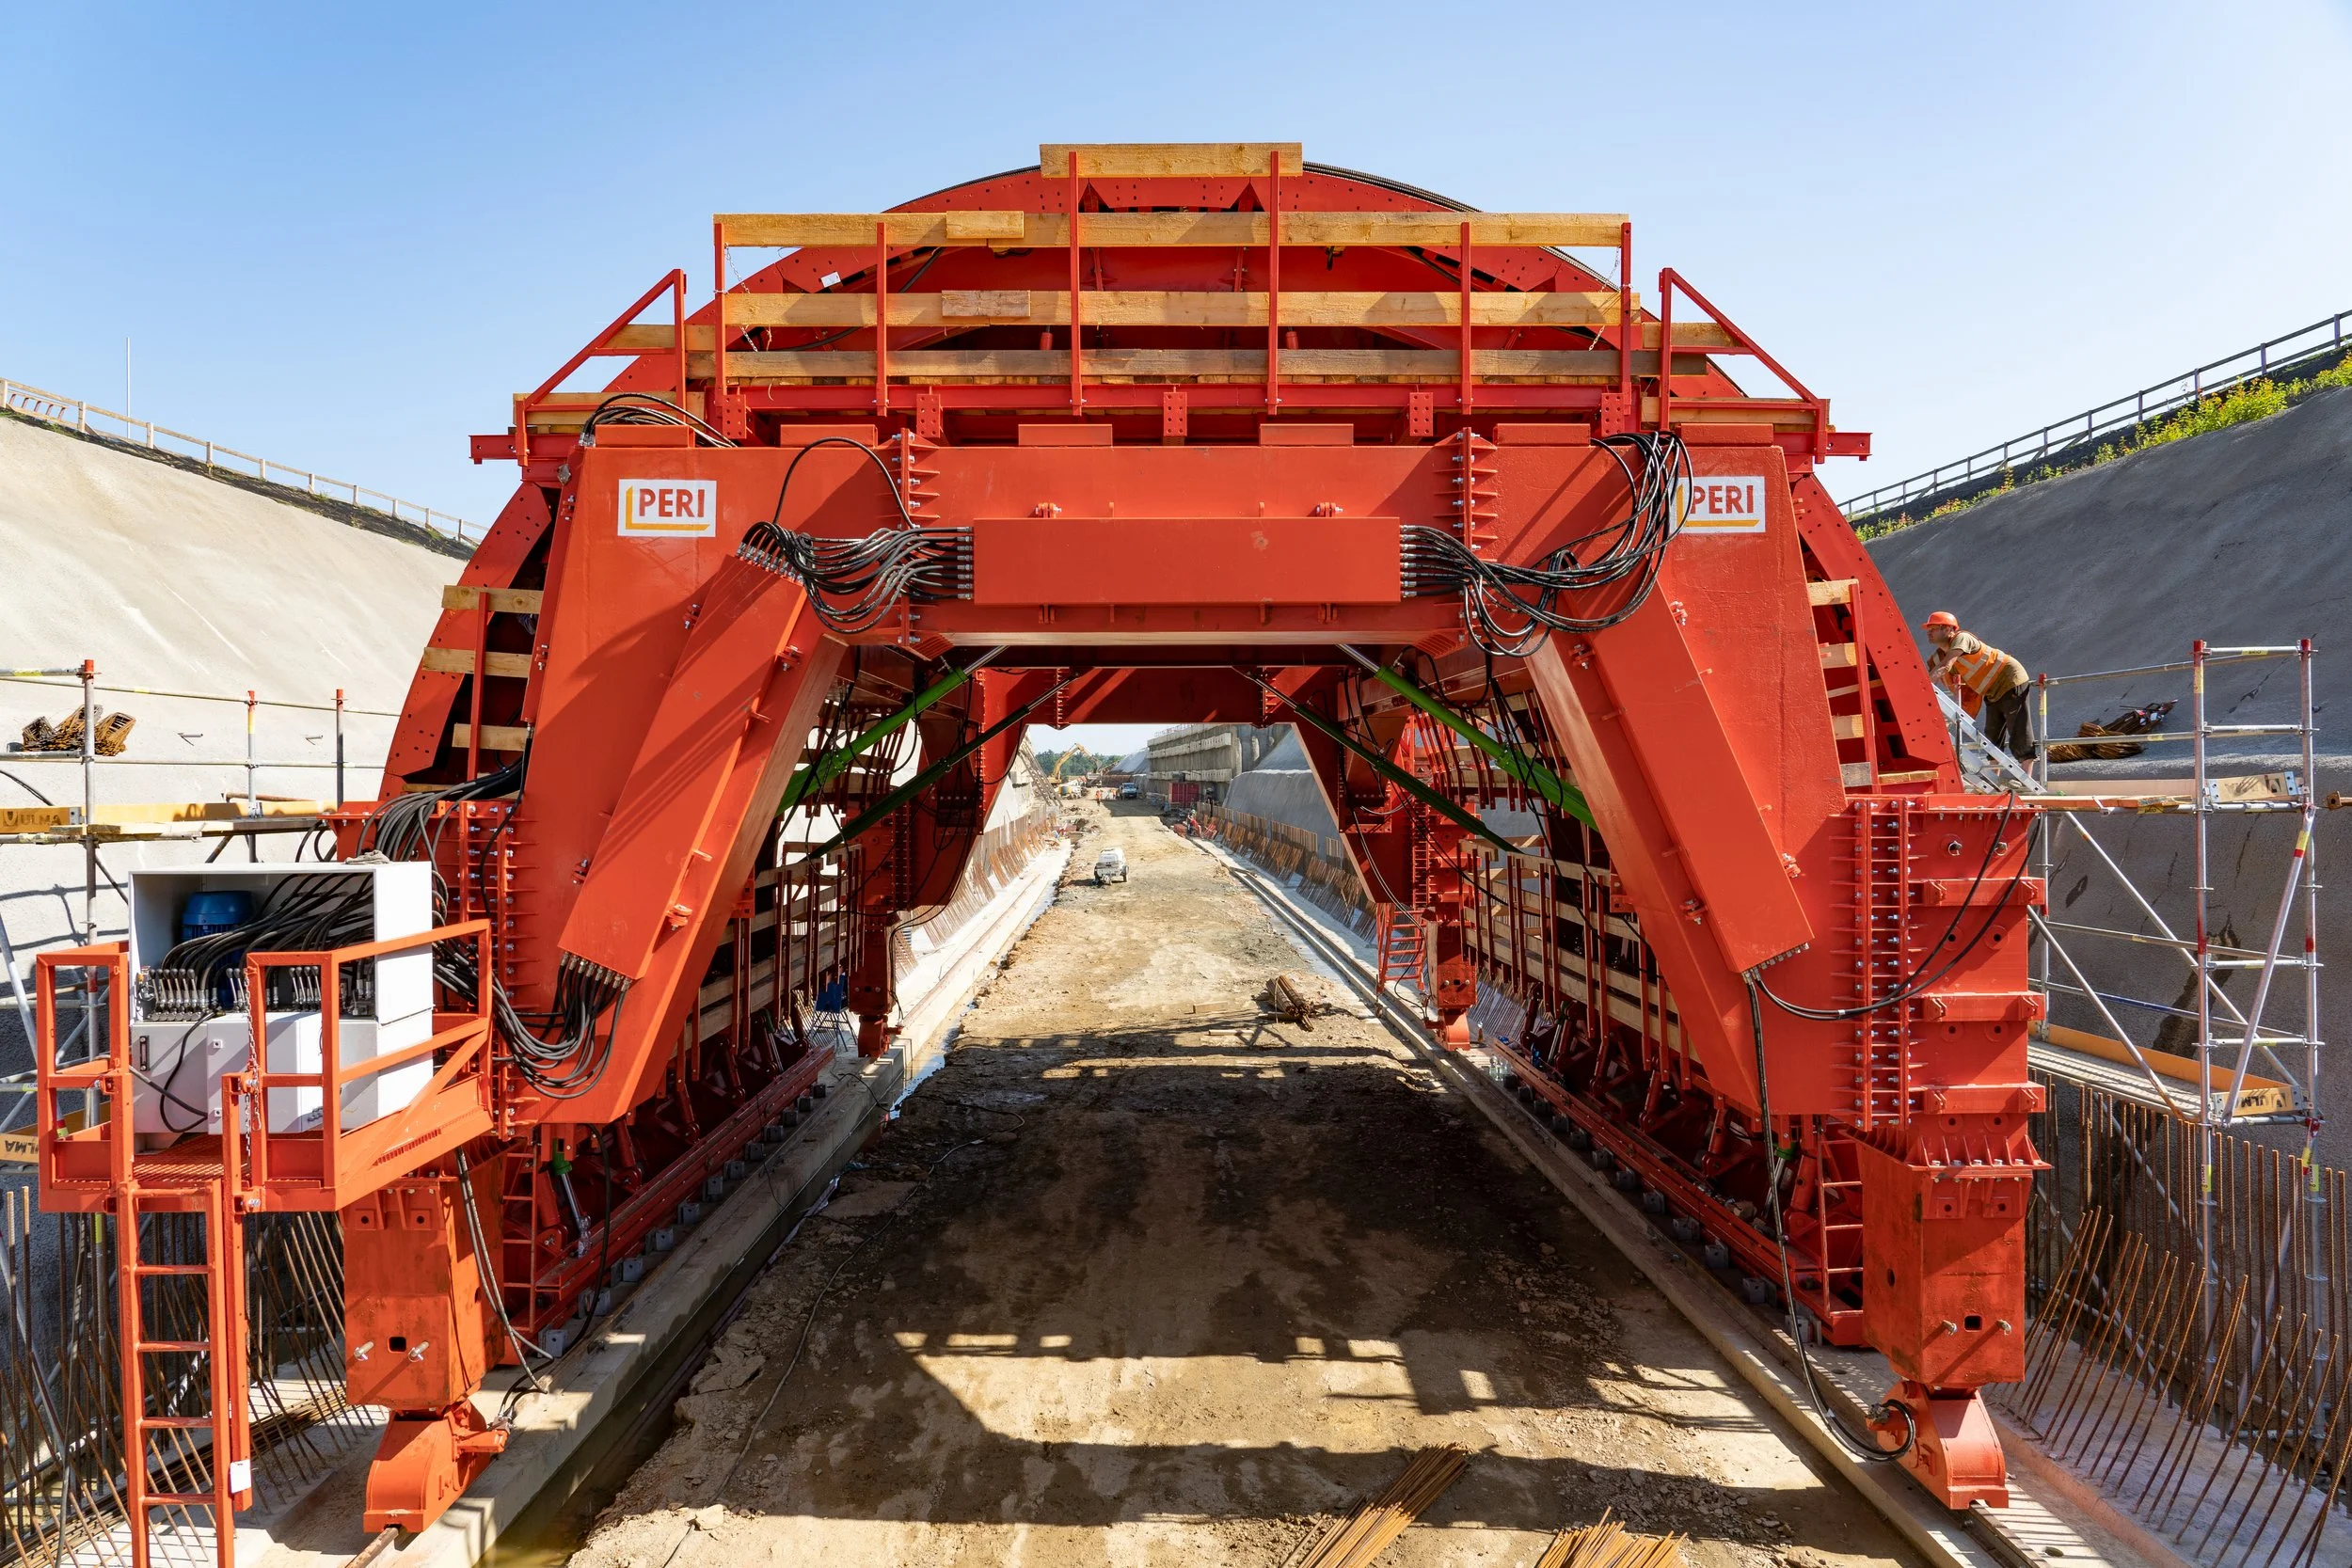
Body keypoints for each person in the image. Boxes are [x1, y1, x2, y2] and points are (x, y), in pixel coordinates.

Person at [1923, 610, 2034, 760]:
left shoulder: (1962, 638)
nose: (1929, 632)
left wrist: (1921, 689)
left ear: (1948, 629)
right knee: (1992, 733)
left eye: (1934, 628)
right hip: (1991, 689)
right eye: (1928, 629)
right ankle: (1997, 778)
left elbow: (1945, 666)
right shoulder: (1937, 657)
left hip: (2009, 679)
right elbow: (1932, 673)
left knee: (2018, 728)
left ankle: (2028, 778)